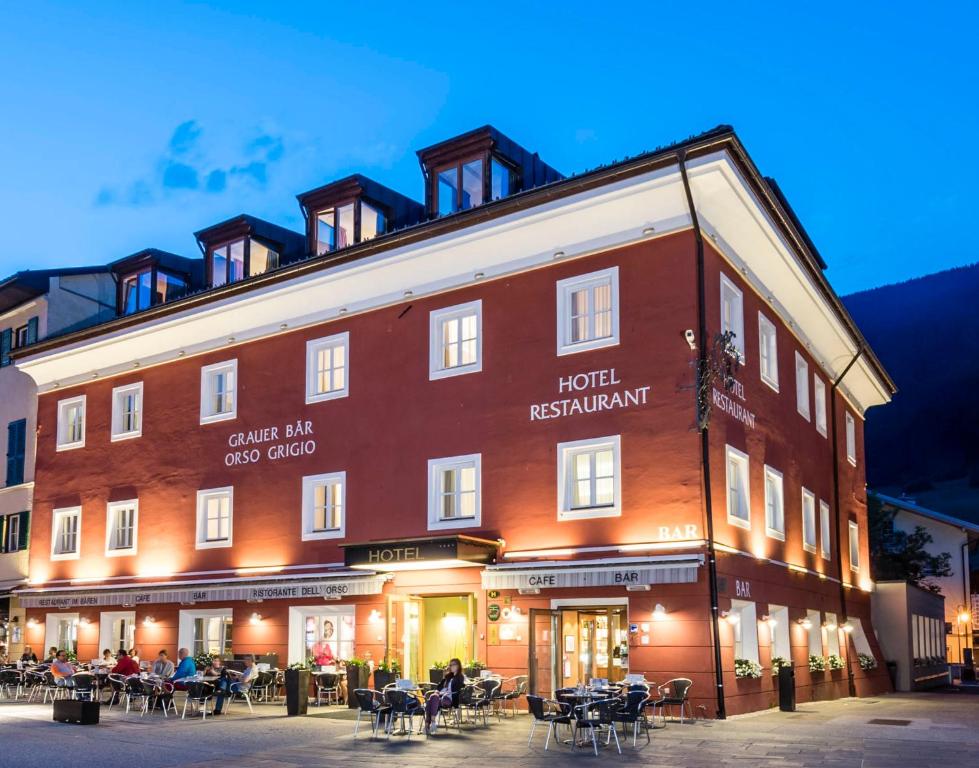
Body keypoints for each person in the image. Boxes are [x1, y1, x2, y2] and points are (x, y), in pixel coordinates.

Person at [424, 657, 465, 734]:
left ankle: (428, 723)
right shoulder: (448, 676)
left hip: (449, 699)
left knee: (431, 699)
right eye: (450, 665)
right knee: (433, 697)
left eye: (453, 665)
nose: (451, 666)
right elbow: (439, 686)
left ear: (458, 666)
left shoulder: (460, 677)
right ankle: (432, 721)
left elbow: (456, 690)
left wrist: (441, 693)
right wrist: (437, 691)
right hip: (440, 697)